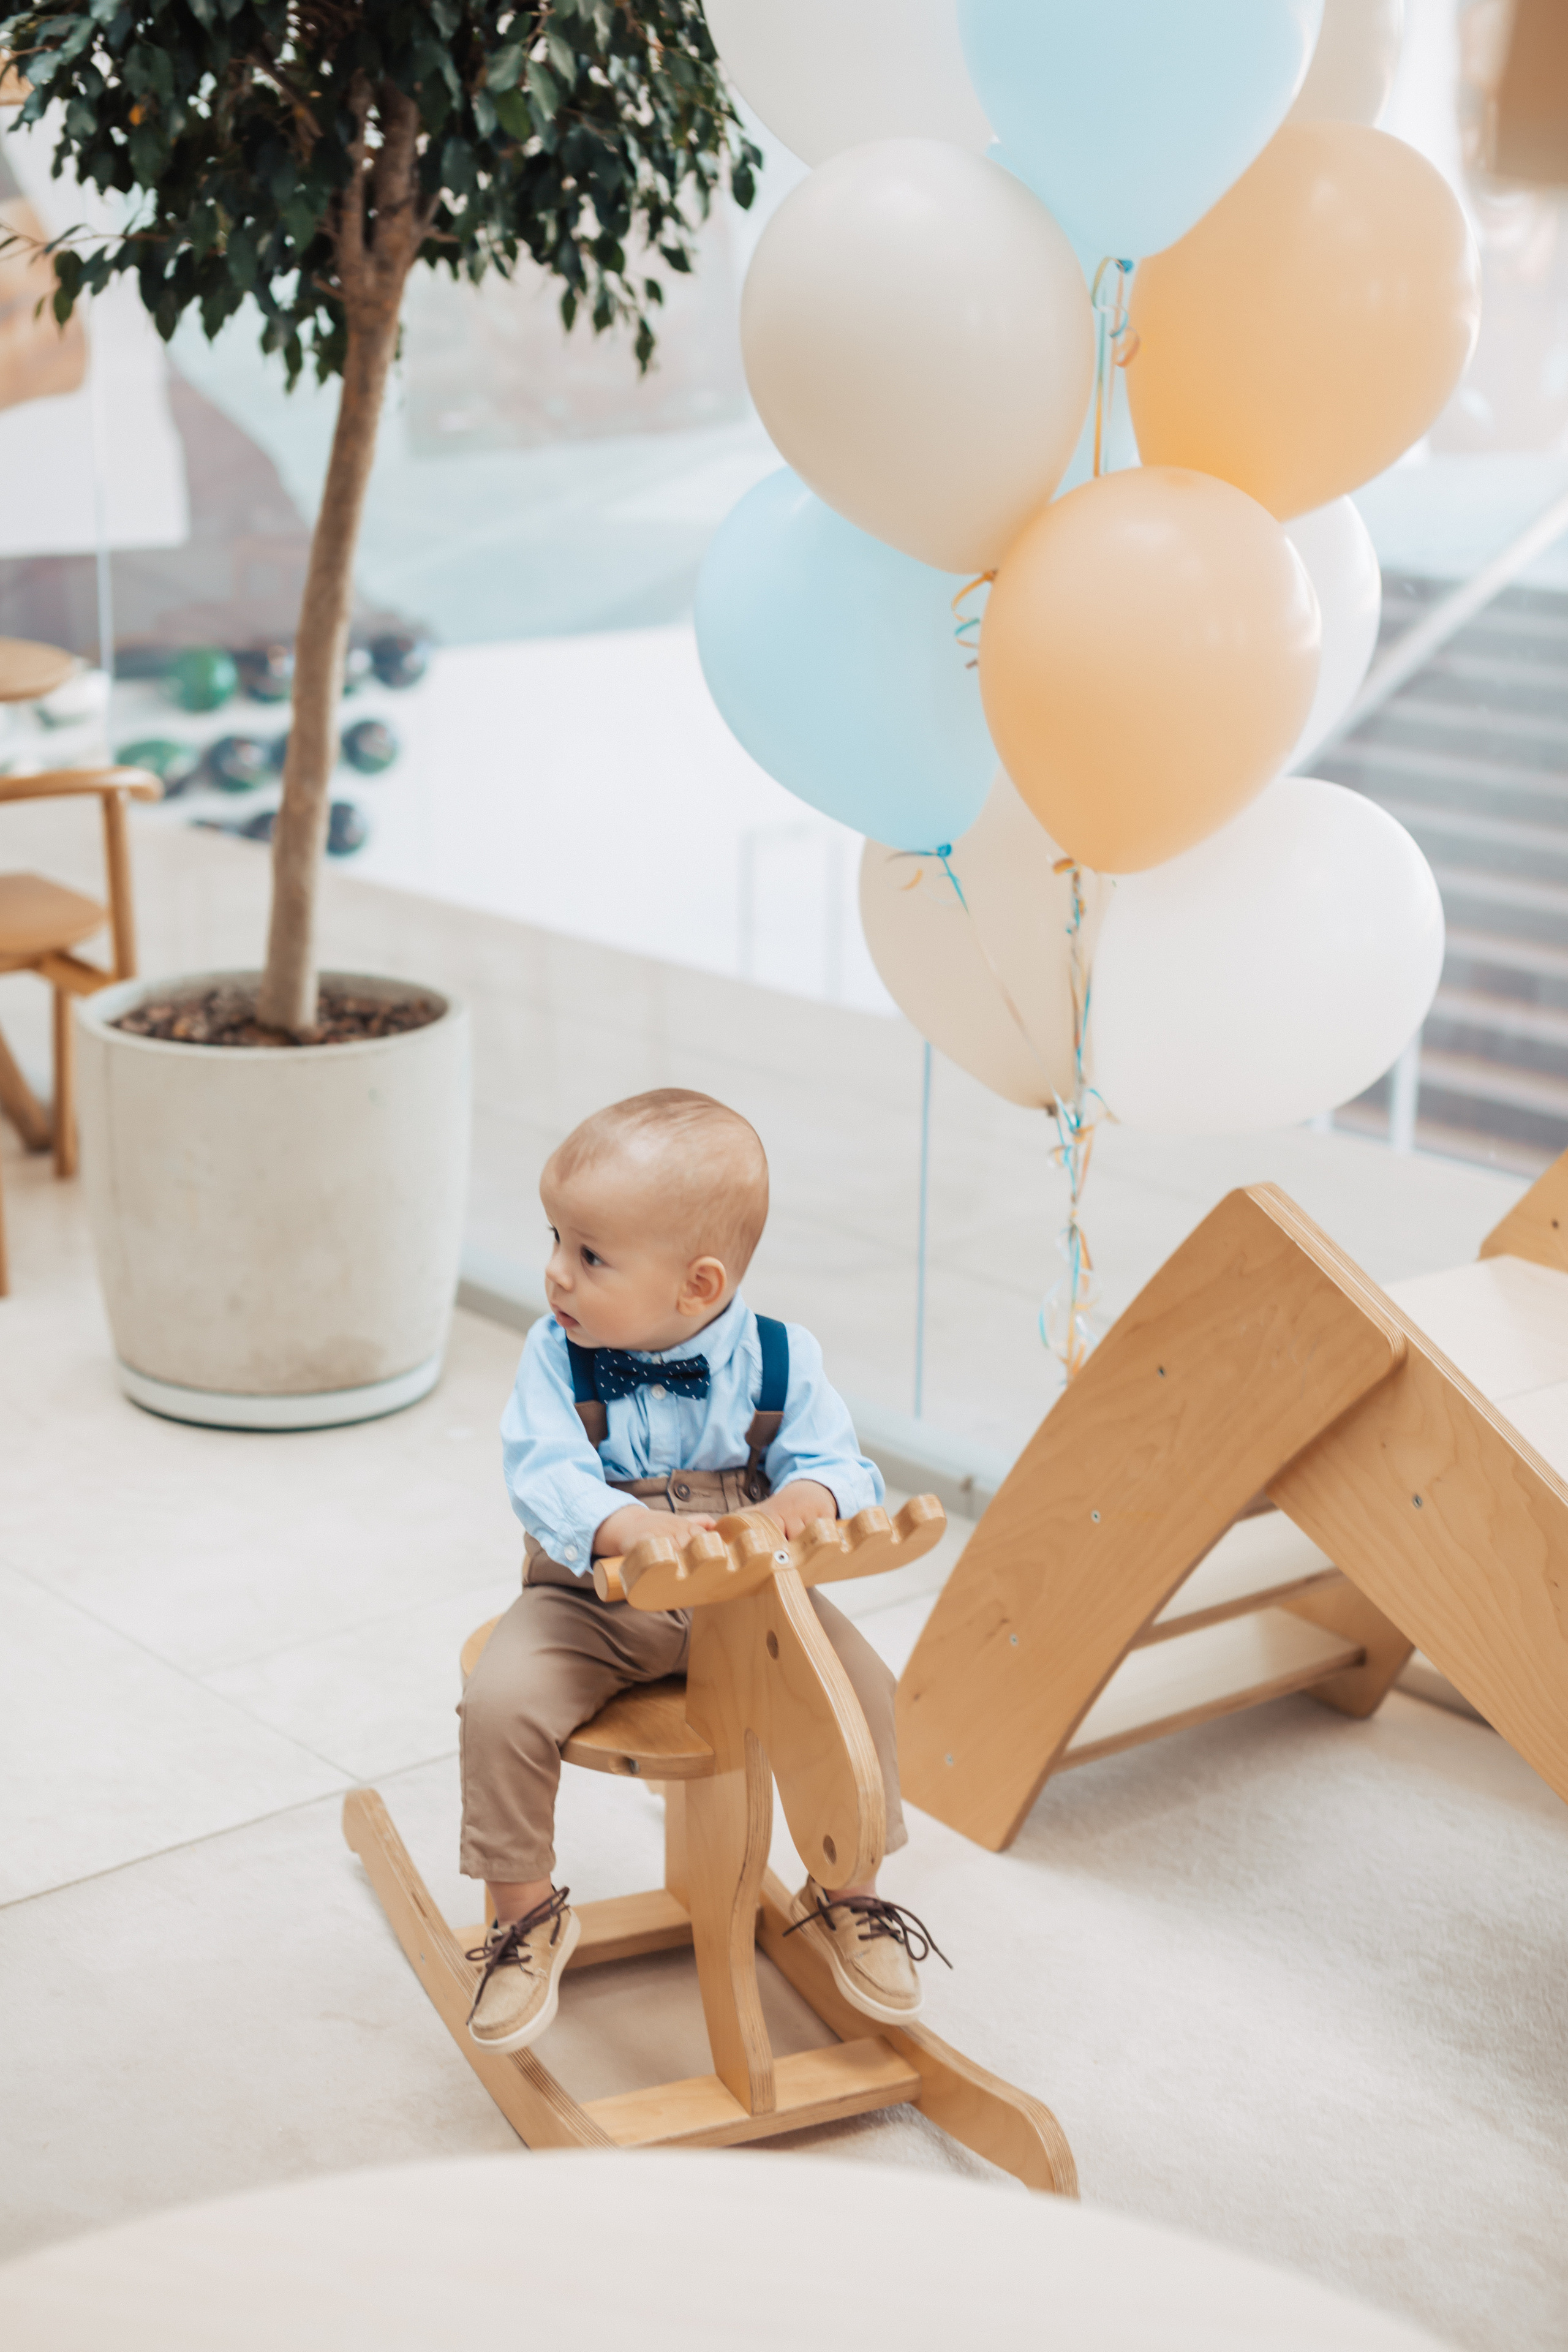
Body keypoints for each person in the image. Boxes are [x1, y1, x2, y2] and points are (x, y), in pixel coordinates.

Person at [458, 1086, 946, 2054]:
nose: (556, 1274)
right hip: (599, 1605)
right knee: (501, 1705)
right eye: (555, 1237)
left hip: (752, 1605)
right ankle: (520, 1914)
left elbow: (838, 1467)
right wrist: (629, 1526)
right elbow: (544, 1471)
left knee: (866, 1697)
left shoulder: (778, 1357)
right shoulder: (556, 1359)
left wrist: (787, 1512)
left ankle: (848, 1890)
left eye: (590, 1255)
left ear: (700, 1285)